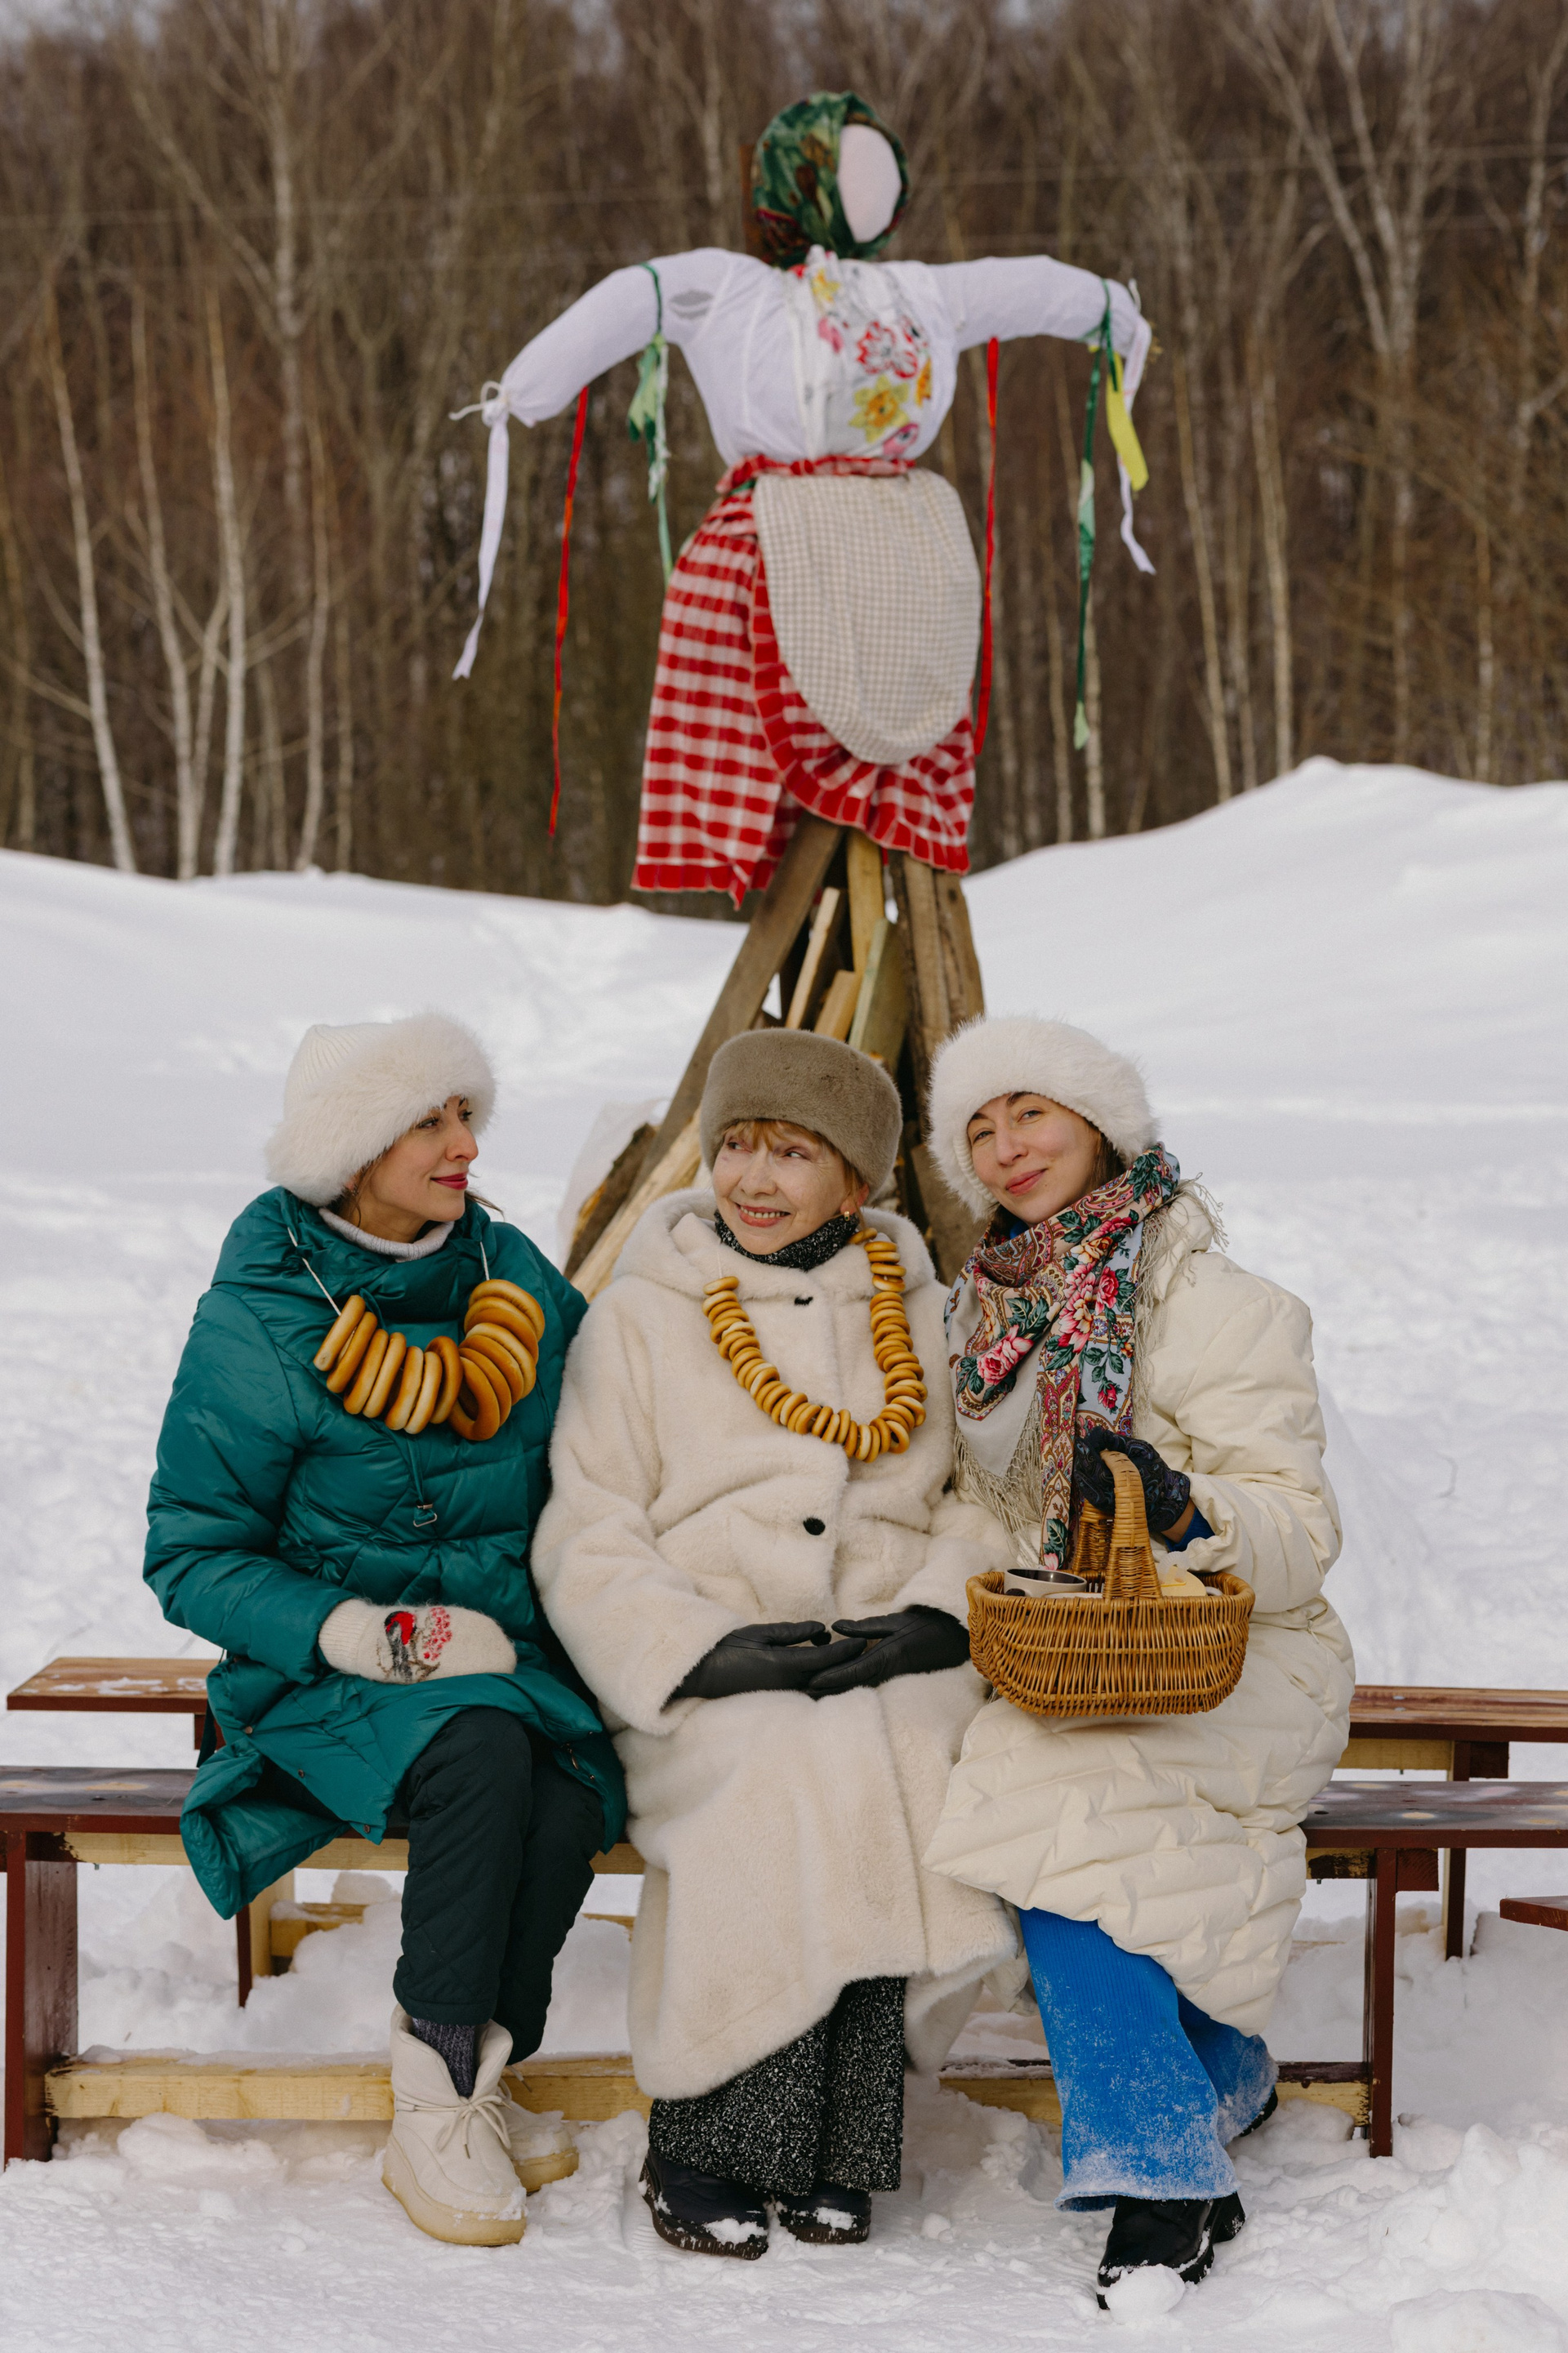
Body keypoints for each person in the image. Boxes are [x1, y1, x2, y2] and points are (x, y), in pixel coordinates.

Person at [531, 1028, 1018, 2258]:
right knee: (773, 1769)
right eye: (736, 1143)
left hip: (885, 1639)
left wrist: (934, 1616)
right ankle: (708, 2136)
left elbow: (984, 1498)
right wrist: (697, 1652)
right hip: (712, 1655)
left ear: (855, 1182)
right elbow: (588, 1525)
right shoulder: (641, 1315)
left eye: (792, 1152)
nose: (752, 1176)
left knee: (913, 1756)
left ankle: (844, 2140)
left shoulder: (927, 1313)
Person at [144, 1014, 625, 2248]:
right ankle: (436, 2104)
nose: (465, 1143)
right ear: (349, 1148)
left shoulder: (511, 1275)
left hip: (510, 1657)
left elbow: (621, 1429)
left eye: (467, 1113)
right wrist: (361, 1633)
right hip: (330, 1674)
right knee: (483, 1746)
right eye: (428, 1120)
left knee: (567, 1792)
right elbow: (189, 1553)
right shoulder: (263, 1314)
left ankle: (477, 2073)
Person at [455, 90, 1152, 902]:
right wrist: (1117, 313)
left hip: (807, 539)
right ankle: (854, 827)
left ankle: (786, 832)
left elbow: (632, 296)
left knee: (742, 635)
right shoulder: (913, 293)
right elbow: (1027, 287)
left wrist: (524, 392)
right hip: (899, 542)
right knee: (877, 679)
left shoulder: (740, 288)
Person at [918, 1014, 1355, 2307]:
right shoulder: (977, 1315)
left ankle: (1161, 2172)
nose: (1008, 1146)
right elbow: (969, 1510)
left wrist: (1183, 1507)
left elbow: (1301, 1533)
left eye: (1032, 1112)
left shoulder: (1219, 1305)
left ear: (1101, 1124)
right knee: (1031, 1801)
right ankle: (1219, 2070)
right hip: (1060, 1646)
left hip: (1229, 1650)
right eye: (979, 1129)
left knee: (1057, 1824)